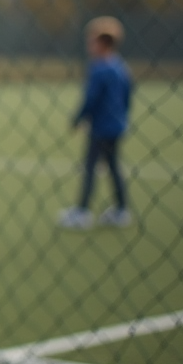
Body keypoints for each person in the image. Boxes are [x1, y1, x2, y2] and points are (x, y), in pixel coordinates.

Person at [58, 16, 134, 230]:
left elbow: (91, 98)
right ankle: (121, 210)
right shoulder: (121, 67)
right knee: (113, 166)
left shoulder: (99, 68)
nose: (89, 45)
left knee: (90, 167)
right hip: (117, 126)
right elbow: (128, 96)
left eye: (92, 41)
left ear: (102, 43)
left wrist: (78, 118)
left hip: (101, 127)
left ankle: (82, 212)